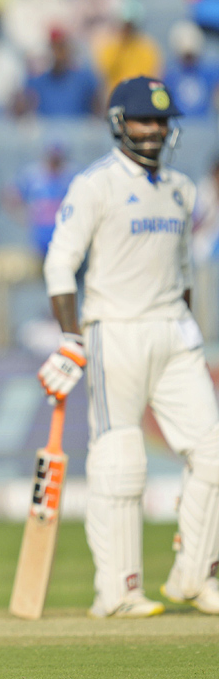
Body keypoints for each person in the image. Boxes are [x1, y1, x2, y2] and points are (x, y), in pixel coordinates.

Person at [40, 75, 219, 618]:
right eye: (144, 119)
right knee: (121, 459)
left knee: (214, 452)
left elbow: (183, 269)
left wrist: (187, 323)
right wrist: (71, 336)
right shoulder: (95, 185)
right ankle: (118, 591)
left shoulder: (183, 189)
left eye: (162, 121)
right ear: (120, 123)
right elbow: (59, 264)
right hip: (112, 328)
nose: (154, 130)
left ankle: (197, 573)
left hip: (174, 331)